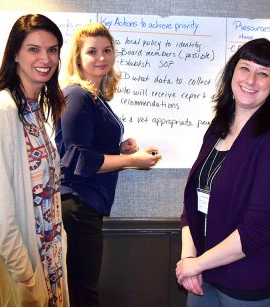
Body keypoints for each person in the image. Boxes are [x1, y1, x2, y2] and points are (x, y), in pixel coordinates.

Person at [175, 38, 270, 306]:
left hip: (251, 281)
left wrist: (196, 264)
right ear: (232, 72)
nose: (251, 79)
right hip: (204, 273)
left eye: (263, 73)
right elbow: (194, 203)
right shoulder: (216, 129)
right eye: (245, 68)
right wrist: (189, 258)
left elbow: (258, 229)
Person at [0, 14, 69, 306]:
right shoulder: (1, 110)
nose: (45, 58)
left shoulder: (33, 111)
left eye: (52, 49)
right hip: (23, 270)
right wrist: (26, 277)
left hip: (48, 261)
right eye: (34, 49)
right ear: (15, 54)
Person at [55, 22, 162, 306]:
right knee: (82, 292)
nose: (101, 57)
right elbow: (77, 158)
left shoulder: (95, 97)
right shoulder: (77, 95)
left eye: (107, 50)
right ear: (78, 57)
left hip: (86, 205)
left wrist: (119, 149)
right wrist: (131, 160)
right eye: (92, 51)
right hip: (77, 205)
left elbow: (85, 148)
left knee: (82, 288)